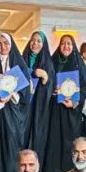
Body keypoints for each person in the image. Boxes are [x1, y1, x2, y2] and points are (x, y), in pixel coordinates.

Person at [0, 33, 30, 172]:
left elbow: (25, 89)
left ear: (11, 45)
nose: (3, 47)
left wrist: (11, 96)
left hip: (13, 111)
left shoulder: (19, 63)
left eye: (6, 43)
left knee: (11, 142)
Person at [43, 34, 86, 172]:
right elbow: (45, 84)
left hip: (71, 111)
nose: (66, 46)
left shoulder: (78, 65)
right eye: (63, 43)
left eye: (69, 44)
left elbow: (85, 89)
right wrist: (52, 90)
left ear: (73, 46)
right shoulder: (52, 62)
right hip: (54, 110)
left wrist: (74, 103)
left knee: (70, 142)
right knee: (54, 141)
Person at [21, 31, 56, 164]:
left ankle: (34, 167)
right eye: (33, 40)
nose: (35, 43)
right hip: (23, 106)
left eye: (38, 41)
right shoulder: (22, 59)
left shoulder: (48, 62)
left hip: (39, 108)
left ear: (44, 44)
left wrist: (45, 78)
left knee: (36, 136)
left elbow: (52, 87)